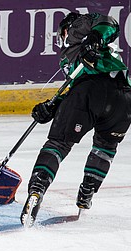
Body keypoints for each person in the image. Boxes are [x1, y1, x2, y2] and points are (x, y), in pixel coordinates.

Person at [20, 12, 131, 226]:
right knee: (105, 147)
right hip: (124, 100)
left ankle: (37, 189)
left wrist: (93, 38)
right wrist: (52, 107)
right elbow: (76, 87)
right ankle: (86, 195)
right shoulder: (95, 55)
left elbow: (109, 23)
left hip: (90, 92)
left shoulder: (78, 28)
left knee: (58, 143)